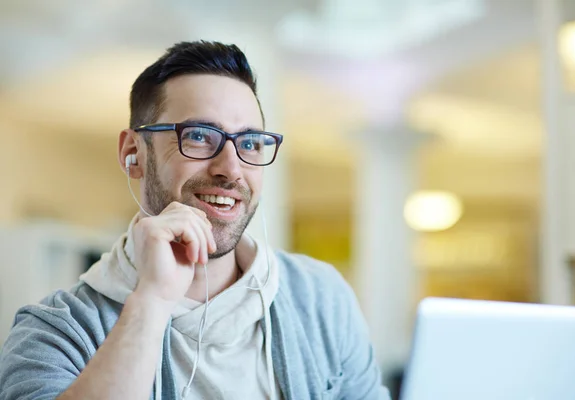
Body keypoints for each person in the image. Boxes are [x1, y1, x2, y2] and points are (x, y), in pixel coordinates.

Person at [0, 41, 390, 400]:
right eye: (201, 136)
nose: (232, 169)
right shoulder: (54, 334)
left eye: (250, 142)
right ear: (133, 153)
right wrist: (152, 301)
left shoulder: (322, 299)